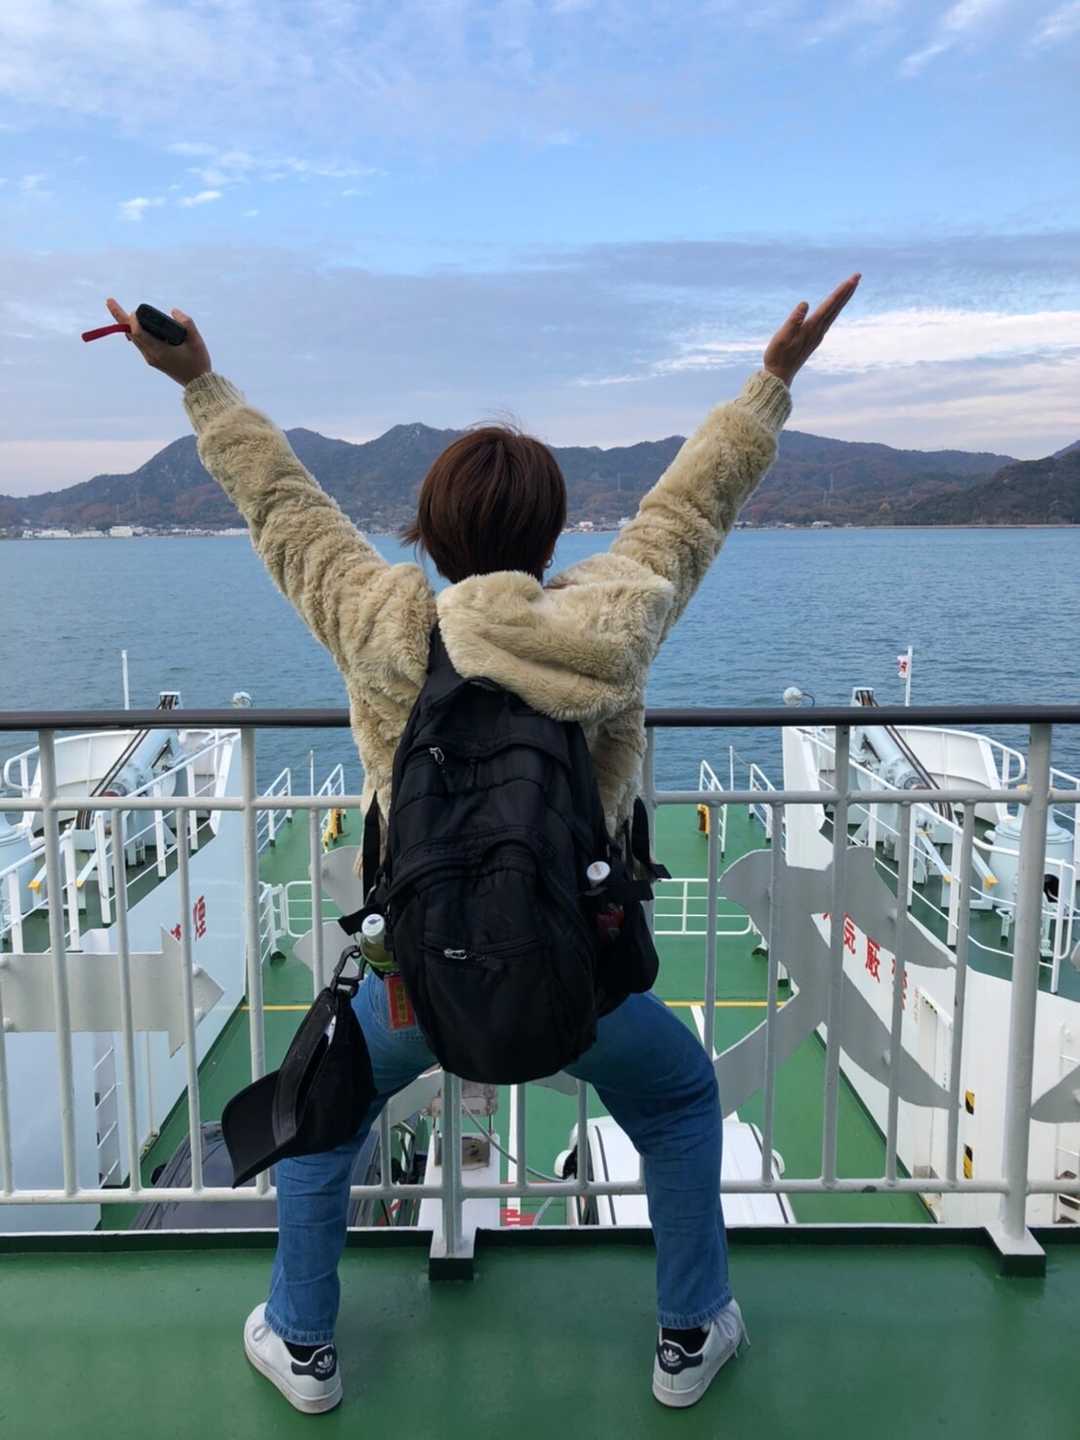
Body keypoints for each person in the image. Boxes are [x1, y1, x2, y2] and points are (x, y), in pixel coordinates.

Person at [105, 273, 860, 1414]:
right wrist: (770, 385)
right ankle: (689, 1332)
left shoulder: (384, 624)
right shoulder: (609, 621)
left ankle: (302, 1344)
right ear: (552, 533)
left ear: (430, 532)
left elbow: (285, 508)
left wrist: (201, 383)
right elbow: (688, 511)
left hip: (415, 979)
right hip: (578, 974)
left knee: (322, 1113)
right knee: (676, 1103)